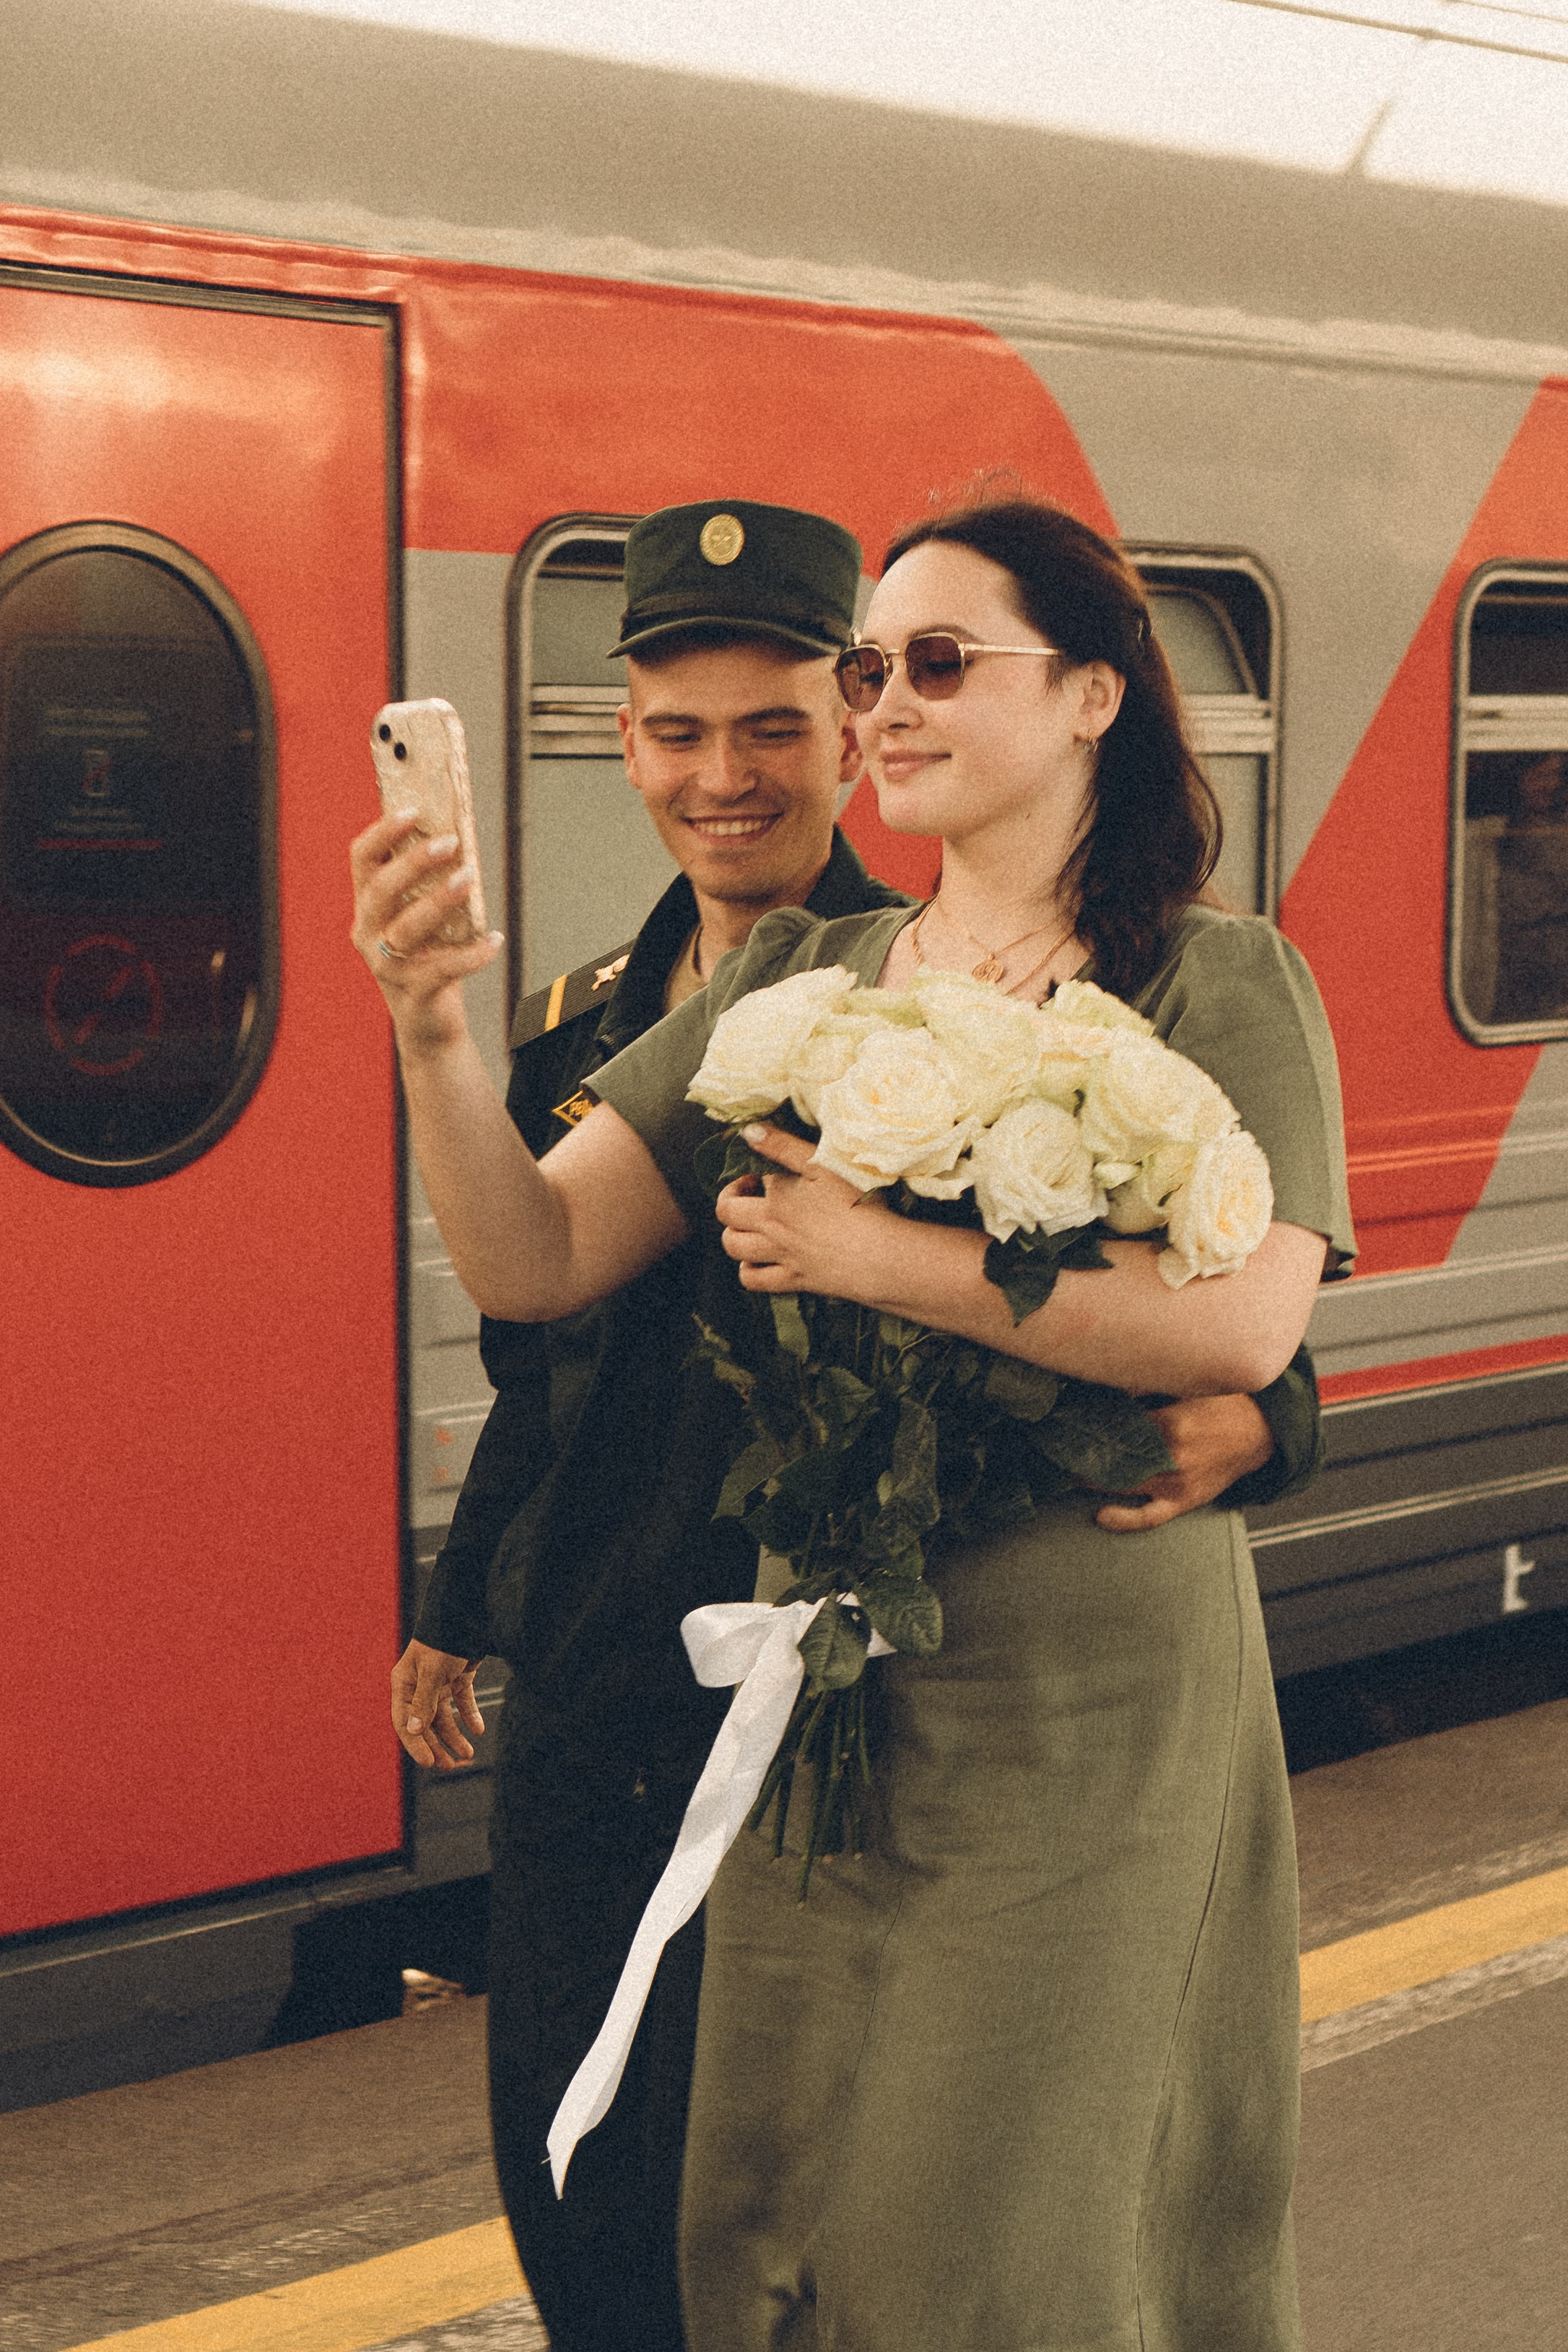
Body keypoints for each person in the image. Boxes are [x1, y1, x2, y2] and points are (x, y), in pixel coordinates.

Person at [354, 497, 1338, 2352]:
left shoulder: (1220, 979)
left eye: (937, 663)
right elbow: (536, 1255)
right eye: (874, 667)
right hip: (827, 1694)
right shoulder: (799, 977)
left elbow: (1248, 1318)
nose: (886, 703)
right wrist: (429, 1031)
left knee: (996, 2243)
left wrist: (881, 1257)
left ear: (1094, 696)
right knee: (786, 2222)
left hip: (1081, 1700)